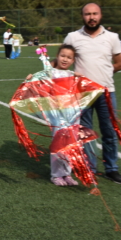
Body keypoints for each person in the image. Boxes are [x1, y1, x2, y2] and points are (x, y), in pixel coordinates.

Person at [63, 3, 121, 184]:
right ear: (82, 16)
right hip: (82, 94)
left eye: (94, 14)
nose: (91, 17)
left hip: (107, 92)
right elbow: (63, 60)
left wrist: (104, 75)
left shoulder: (112, 37)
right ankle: (89, 167)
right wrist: (46, 71)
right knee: (85, 132)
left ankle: (111, 169)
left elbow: (120, 63)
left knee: (109, 132)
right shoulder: (73, 37)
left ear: (100, 15)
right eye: (87, 14)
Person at [25, 45, 80, 186]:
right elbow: (35, 87)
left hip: (72, 115)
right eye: (63, 56)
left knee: (71, 145)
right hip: (58, 116)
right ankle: (56, 175)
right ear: (57, 56)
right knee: (59, 144)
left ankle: (67, 173)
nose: (65, 59)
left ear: (73, 60)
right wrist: (29, 80)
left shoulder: (74, 75)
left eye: (69, 57)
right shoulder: (50, 73)